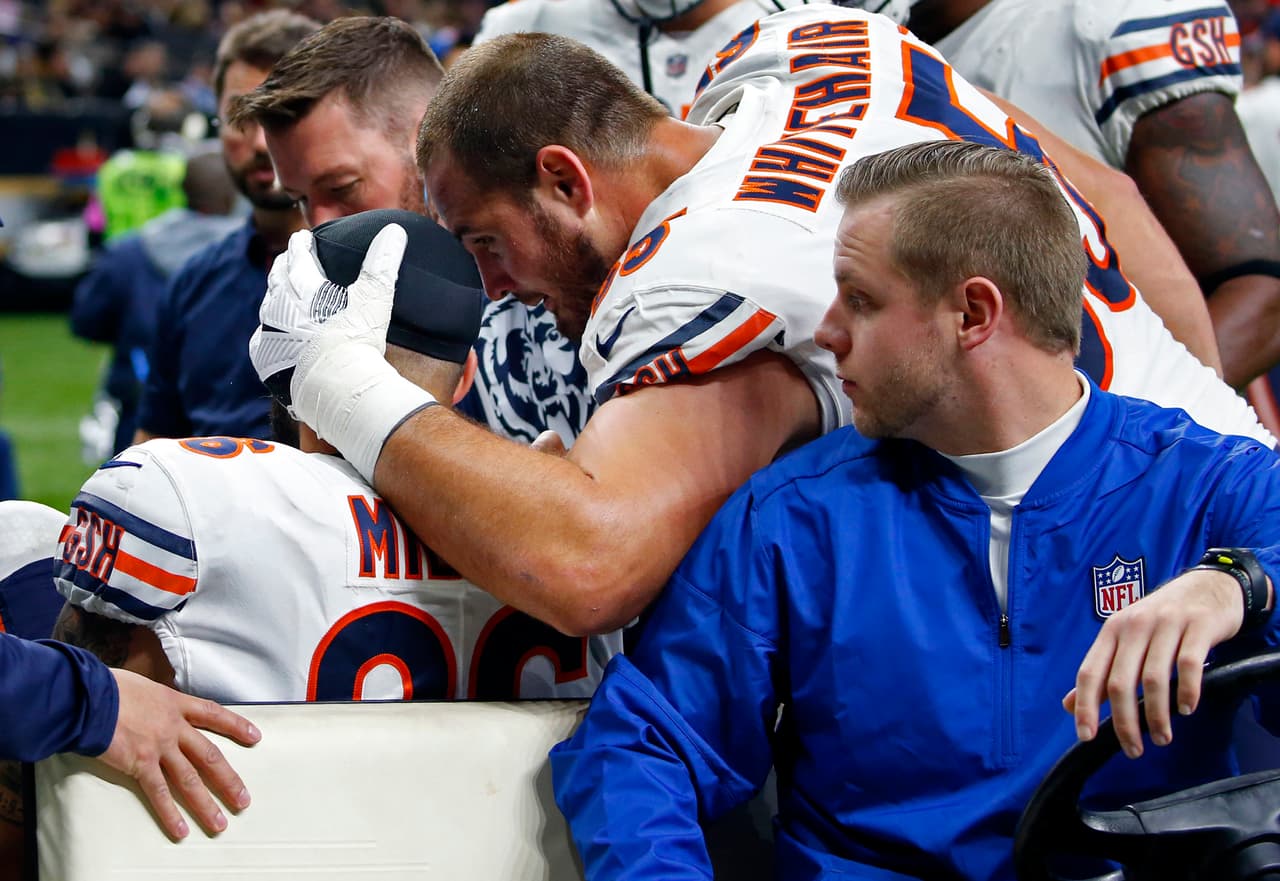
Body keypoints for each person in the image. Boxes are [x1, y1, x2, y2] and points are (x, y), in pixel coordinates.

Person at [251, 5, 1271, 642]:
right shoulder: (817, 46)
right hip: (1218, 484)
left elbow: (585, 565)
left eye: (484, 241)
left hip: (1105, 602)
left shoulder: (687, 276)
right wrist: (1206, 401)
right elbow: (1105, 201)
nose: (500, 285)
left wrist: (340, 383)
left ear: (562, 178)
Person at [551, 139, 1280, 881]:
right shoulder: (794, 518)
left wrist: (1236, 582)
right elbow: (643, 743)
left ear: (971, 312)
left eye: (859, 299)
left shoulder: (1205, 484)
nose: (827, 331)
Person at [52, 210, 620, 704]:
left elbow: (69, 744)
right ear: (468, 372)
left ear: (278, 349)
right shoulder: (566, 538)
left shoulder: (175, 493)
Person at [228, 15, 593, 446]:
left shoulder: (561, 267)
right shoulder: (321, 311)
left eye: (342, 187)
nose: (321, 223)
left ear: (425, 140)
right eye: (300, 199)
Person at [888, 0, 1280, 394]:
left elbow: (1262, 292)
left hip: (1084, 409)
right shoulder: (866, 36)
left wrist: (1133, 430)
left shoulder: (1104, 23)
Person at [133, 9, 320, 444]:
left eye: (284, 112)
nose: (260, 142)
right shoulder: (193, 283)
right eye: (242, 114)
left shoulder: (379, 274)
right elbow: (153, 444)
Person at [72, 148, 242, 458]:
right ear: (234, 196)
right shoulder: (257, 255)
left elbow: (86, 321)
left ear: (181, 191)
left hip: (143, 409)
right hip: (232, 416)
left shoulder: (131, 252)